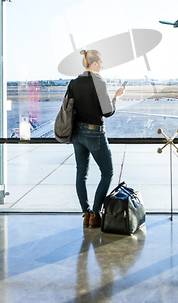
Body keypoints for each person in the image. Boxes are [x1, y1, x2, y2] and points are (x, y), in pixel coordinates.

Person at [68, 49, 126, 228]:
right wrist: (116, 97)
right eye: (101, 63)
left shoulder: (73, 83)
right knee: (107, 173)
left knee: (81, 174)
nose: (102, 66)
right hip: (94, 133)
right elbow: (107, 112)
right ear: (93, 64)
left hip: (77, 133)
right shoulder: (99, 82)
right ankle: (95, 213)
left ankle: (86, 214)